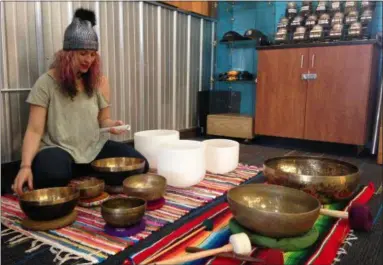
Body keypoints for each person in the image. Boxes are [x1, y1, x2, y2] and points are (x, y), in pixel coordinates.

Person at [12, 8, 149, 195]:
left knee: (140, 165)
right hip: (58, 148)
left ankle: (83, 170)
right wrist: (25, 166)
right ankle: (84, 171)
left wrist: (112, 126)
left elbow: (103, 120)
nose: (89, 60)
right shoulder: (46, 82)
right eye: (83, 53)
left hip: (93, 147)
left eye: (93, 54)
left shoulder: (100, 81)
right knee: (51, 176)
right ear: (68, 54)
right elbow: (34, 130)